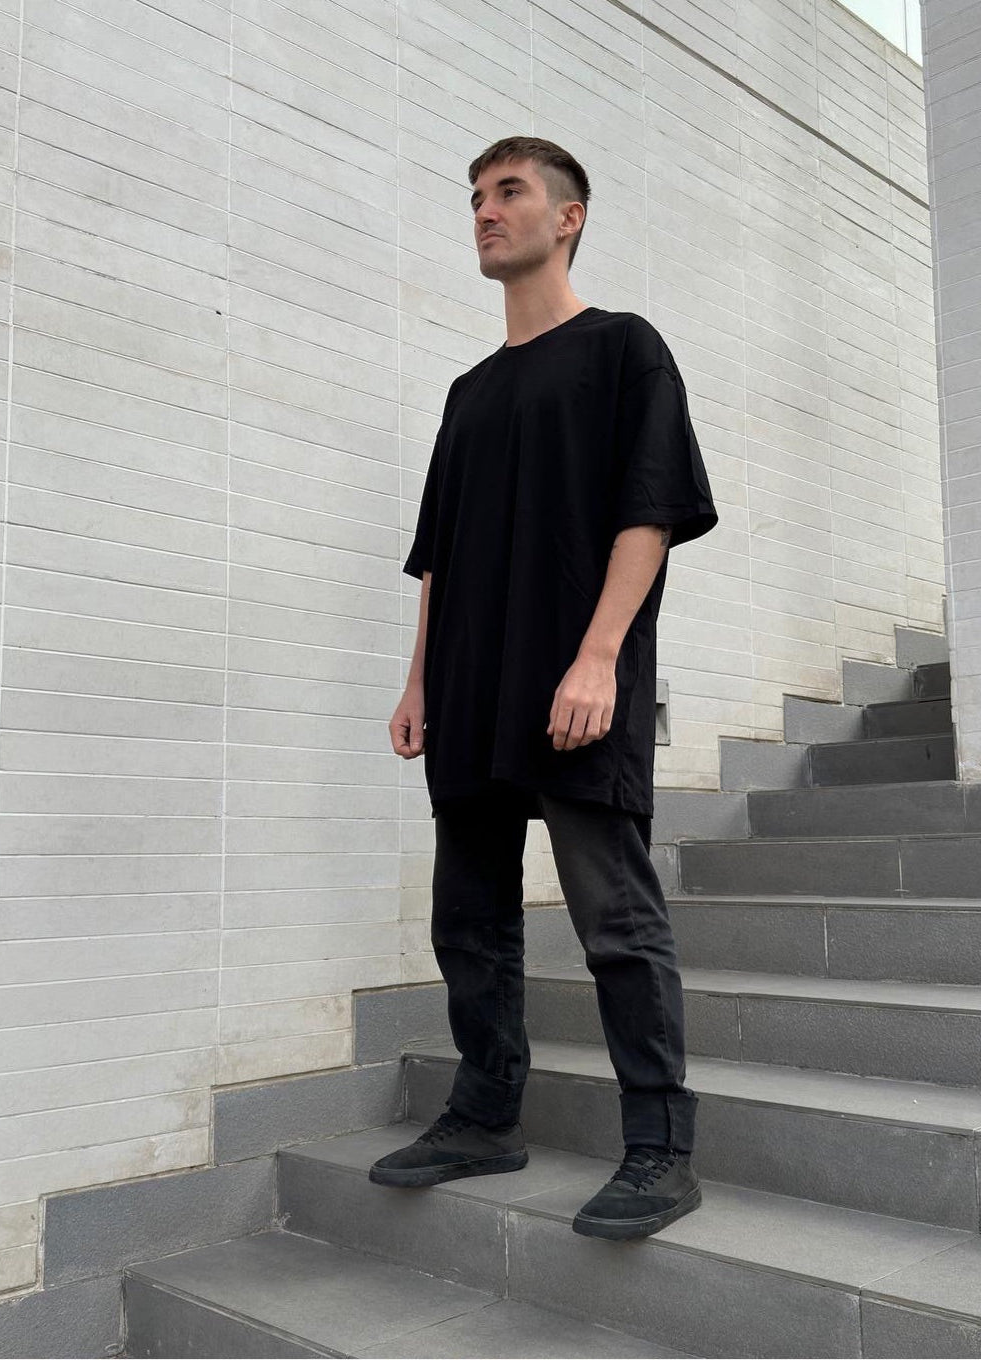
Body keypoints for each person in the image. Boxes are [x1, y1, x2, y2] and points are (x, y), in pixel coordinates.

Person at [368, 136, 718, 1242]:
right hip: (469, 683)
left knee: (612, 913)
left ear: (567, 217)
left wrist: (599, 654)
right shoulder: (468, 392)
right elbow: (439, 554)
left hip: (574, 677)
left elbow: (648, 512)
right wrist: (418, 677)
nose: (483, 211)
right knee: (465, 917)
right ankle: (483, 1113)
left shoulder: (624, 351)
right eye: (473, 196)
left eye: (507, 193)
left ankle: (659, 1146)